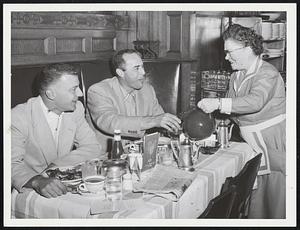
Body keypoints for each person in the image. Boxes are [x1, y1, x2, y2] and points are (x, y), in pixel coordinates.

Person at [197, 24, 286, 218]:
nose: (226, 57)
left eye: (229, 52)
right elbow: (233, 111)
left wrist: (218, 103)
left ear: (247, 49)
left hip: (272, 141)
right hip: (252, 140)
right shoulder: (236, 75)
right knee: (255, 197)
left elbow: (255, 102)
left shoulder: (267, 73)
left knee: (274, 196)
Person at [11, 63, 104, 198]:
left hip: (68, 186)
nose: (80, 93)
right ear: (51, 94)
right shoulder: (17, 117)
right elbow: (10, 163)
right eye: (73, 89)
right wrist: (37, 180)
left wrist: (56, 166)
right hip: (31, 189)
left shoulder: (76, 108)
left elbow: (92, 147)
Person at [87, 49, 181, 152]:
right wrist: (153, 121)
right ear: (120, 73)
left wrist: (174, 129)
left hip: (139, 154)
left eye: (142, 66)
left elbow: (161, 120)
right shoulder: (99, 91)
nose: (143, 72)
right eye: (136, 68)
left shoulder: (147, 90)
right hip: (108, 157)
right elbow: (110, 122)